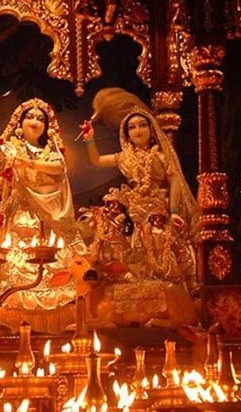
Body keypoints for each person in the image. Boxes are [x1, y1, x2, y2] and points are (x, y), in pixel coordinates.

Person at [0, 98, 79, 309]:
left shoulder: (51, 152)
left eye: (40, 119)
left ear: (47, 127)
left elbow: (58, 168)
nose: (34, 121)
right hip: (18, 213)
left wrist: (28, 163)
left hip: (46, 214)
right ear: (19, 123)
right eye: (29, 117)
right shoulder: (8, 149)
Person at [81, 88, 197, 287]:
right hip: (133, 213)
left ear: (151, 130)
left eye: (142, 125)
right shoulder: (124, 157)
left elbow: (175, 182)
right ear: (126, 134)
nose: (138, 130)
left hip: (159, 212)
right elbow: (97, 160)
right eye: (132, 127)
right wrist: (90, 138)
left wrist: (174, 211)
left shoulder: (161, 156)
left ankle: (167, 291)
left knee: (162, 246)